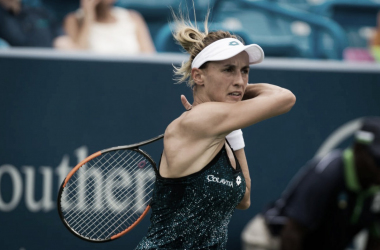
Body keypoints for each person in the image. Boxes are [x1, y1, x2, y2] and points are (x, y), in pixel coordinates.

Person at [135, 12, 296, 249]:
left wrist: (232, 125)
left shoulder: (220, 130)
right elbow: (285, 98)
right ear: (198, 75)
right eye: (228, 70)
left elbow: (244, 199)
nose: (240, 80)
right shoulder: (201, 119)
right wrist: (238, 95)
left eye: (244, 71)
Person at [242, 117, 380, 250]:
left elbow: (375, 242)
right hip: (272, 241)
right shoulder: (329, 174)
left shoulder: (376, 189)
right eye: (378, 160)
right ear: (358, 149)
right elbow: (292, 234)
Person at [60, 0, 155, 53]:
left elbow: (150, 59)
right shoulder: (74, 20)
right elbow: (76, 60)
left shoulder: (133, 17)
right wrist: (88, 17)